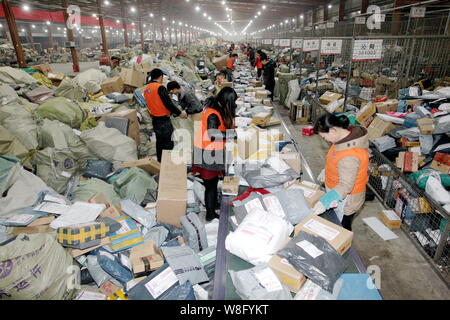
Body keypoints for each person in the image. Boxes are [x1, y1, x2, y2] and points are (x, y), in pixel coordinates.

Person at [312, 114, 369, 231]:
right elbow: (337, 160)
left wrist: (325, 202)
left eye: (324, 137)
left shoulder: (350, 155)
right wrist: (327, 171)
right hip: (337, 191)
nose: (325, 140)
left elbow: (346, 185)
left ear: (333, 130)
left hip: (347, 198)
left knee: (342, 227)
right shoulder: (342, 139)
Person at [193, 87, 238, 221]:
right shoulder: (213, 114)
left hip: (209, 150)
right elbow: (212, 134)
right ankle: (210, 213)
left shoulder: (215, 108)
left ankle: (213, 204)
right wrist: (232, 135)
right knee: (211, 185)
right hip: (207, 152)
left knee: (211, 183)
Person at [143, 68, 188, 163]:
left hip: (155, 120)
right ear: (160, 77)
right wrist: (180, 113)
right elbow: (168, 103)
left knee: (159, 143)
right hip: (164, 120)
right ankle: (168, 164)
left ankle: (160, 162)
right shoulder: (160, 87)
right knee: (168, 143)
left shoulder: (146, 89)